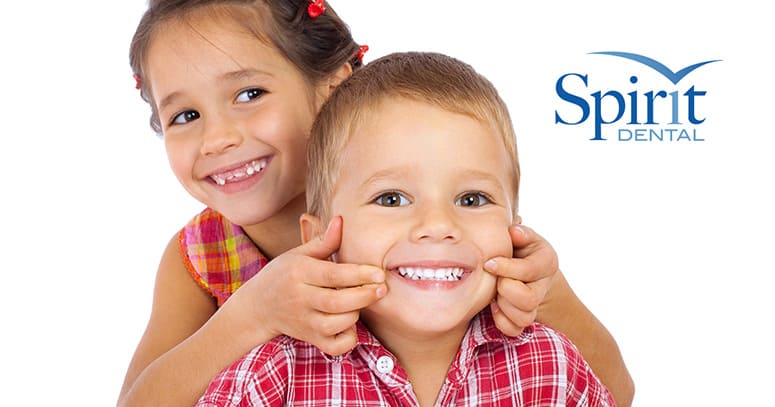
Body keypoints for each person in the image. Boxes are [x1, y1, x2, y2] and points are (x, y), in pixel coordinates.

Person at [120, 1, 633, 406]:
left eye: (249, 94)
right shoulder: (202, 255)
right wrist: (252, 313)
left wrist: (544, 292)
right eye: (185, 116)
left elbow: (614, 391)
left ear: (333, 86)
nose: (217, 139)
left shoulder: (451, 229)